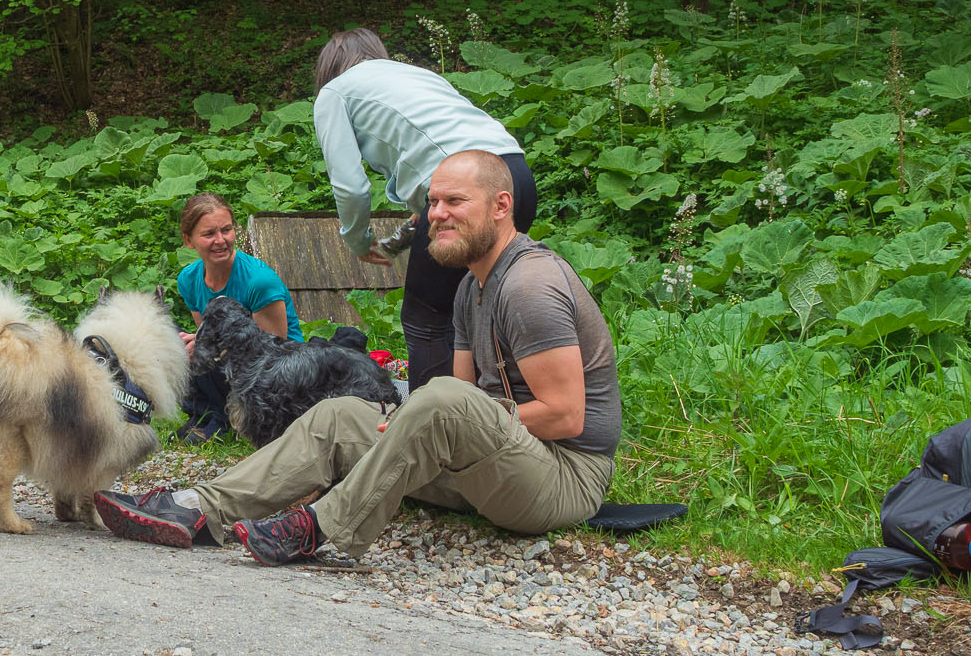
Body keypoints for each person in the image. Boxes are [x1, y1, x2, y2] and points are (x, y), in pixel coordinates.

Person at [97, 150, 617, 563]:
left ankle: (320, 528)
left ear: (502, 206)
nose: (436, 215)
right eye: (432, 202)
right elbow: (471, 402)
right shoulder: (468, 289)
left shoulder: (528, 284)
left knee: (436, 401)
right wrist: (421, 422)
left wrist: (428, 417)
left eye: (455, 201)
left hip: (561, 476)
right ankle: (197, 510)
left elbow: (566, 416)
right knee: (338, 414)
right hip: (489, 468)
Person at [312, 28, 539, 390]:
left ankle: (430, 432)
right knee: (481, 307)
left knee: (427, 318)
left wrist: (358, 240)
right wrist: (424, 209)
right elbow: (441, 139)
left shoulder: (334, 92)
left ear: (328, 68)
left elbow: (350, 185)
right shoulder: (414, 74)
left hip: (461, 183)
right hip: (515, 176)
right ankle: (494, 416)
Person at [172, 193, 302, 442]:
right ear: (189, 241)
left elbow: (271, 357)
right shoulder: (188, 279)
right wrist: (195, 345)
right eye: (209, 234)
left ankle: (226, 421)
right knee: (171, 339)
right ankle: (208, 416)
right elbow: (210, 335)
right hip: (233, 366)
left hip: (278, 374)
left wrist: (204, 348)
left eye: (227, 230)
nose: (220, 240)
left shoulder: (259, 281)